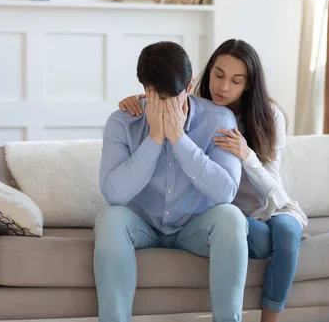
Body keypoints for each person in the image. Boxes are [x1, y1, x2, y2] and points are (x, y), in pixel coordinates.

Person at [118, 39, 308, 322]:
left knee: (286, 232)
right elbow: (167, 99)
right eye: (218, 75)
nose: (224, 87)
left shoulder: (270, 117)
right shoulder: (195, 110)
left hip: (271, 207)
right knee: (248, 231)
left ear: (249, 84)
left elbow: (272, 189)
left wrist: (246, 155)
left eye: (236, 80)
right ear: (207, 74)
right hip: (231, 215)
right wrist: (143, 99)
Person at [96, 40, 249, 322]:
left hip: (194, 226)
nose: (165, 107)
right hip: (143, 225)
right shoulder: (122, 121)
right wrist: (155, 137)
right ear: (145, 90)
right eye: (157, 97)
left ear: (189, 87)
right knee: (109, 218)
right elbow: (114, 195)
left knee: (232, 217)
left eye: (173, 97)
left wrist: (179, 138)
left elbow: (225, 191)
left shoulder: (220, 119)